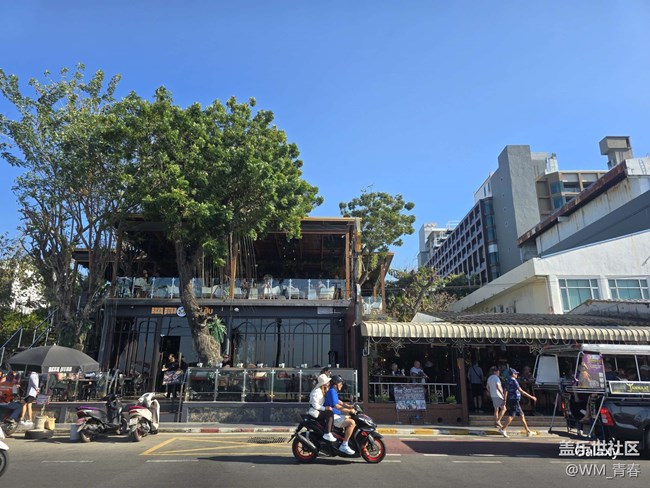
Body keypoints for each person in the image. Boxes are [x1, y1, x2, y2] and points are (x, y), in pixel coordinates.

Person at [499, 368, 537, 438]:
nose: (517, 374)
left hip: (511, 399)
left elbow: (505, 391)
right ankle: (503, 429)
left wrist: (505, 400)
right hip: (515, 400)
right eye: (515, 373)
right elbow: (521, 391)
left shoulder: (508, 380)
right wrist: (531, 397)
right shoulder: (514, 381)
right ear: (512, 374)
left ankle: (528, 431)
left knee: (522, 415)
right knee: (512, 415)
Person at [324, 375, 356, 455]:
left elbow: (339, 402)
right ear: (335, 385)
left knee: (350, 418)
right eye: (340, 383)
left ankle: (345, 438)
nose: (341, 385)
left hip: (335, 416)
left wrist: (349, 406)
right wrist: (349, 410)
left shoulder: (333, 391)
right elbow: (336, 406)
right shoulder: (332, 391)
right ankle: (344, 445)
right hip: (333, 417)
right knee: (351, 423)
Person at [308, 373, 335, 442]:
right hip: (315, 412)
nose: (329, 384)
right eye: (327, 382)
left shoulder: (323, 391)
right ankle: (327, 433)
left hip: (319, 411)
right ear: (324, 384)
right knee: (329, 414)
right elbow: (315, 405)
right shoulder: (317, 392)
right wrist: (325, 408)